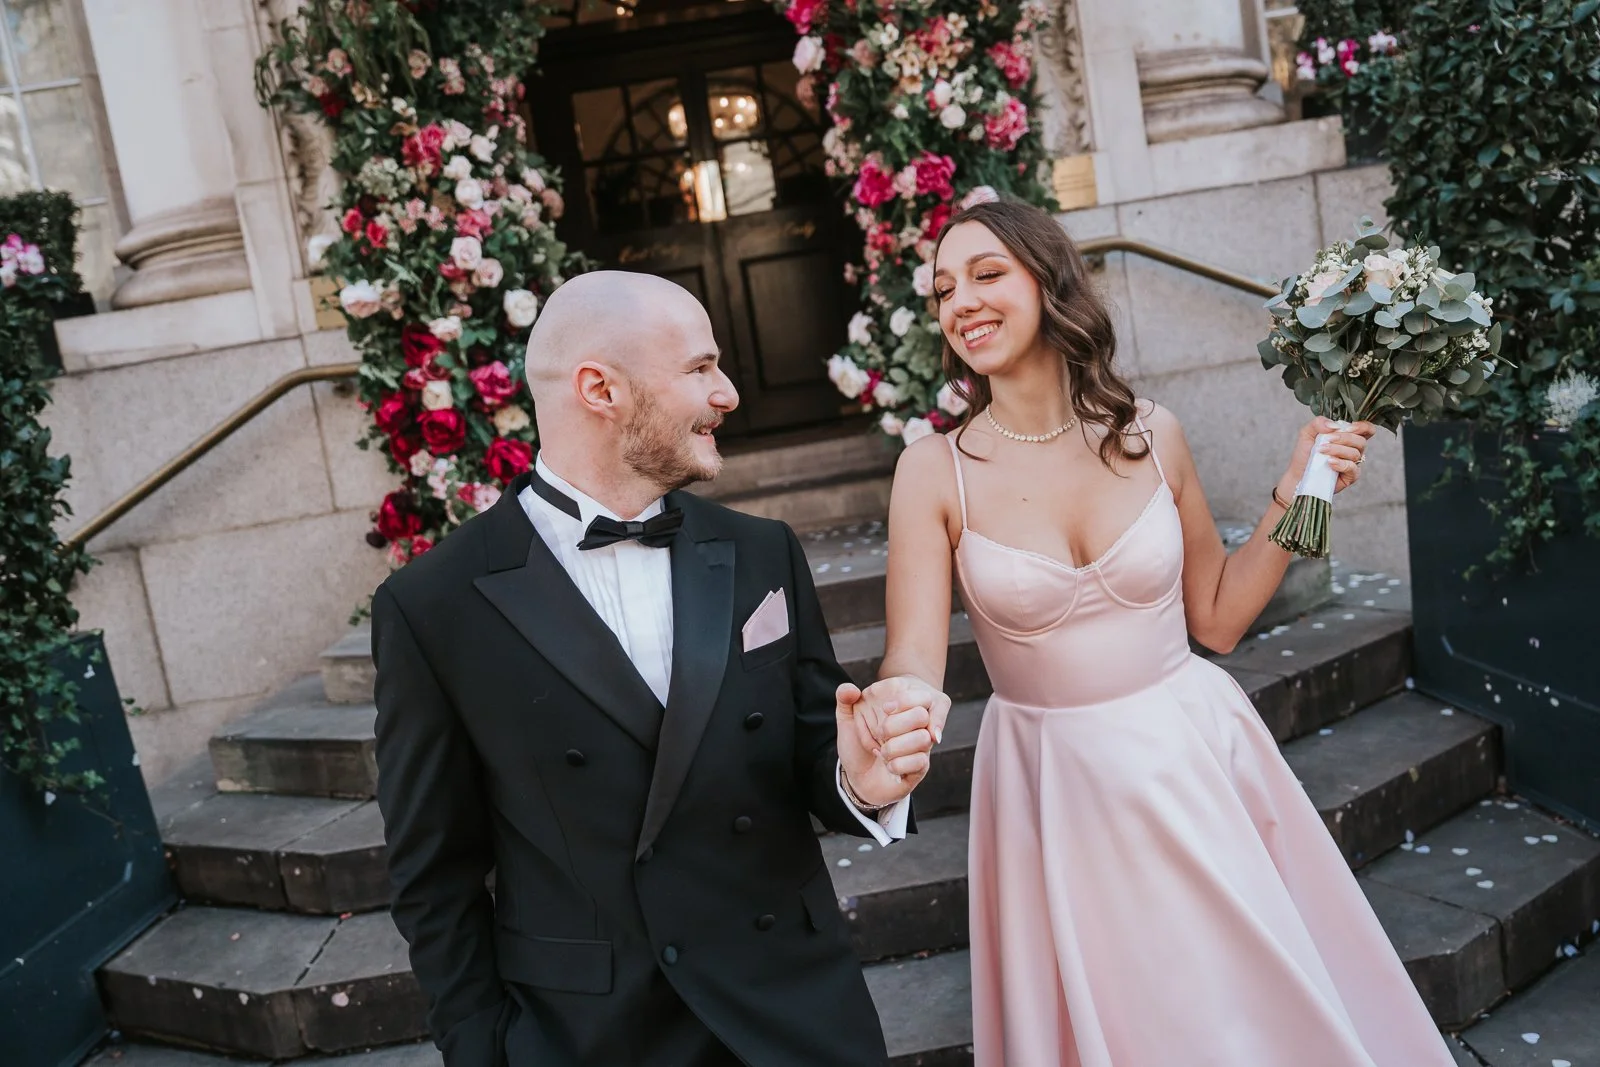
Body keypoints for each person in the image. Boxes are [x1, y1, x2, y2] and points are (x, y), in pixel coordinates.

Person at [879, 199, 1457, 1066]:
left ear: (1050, 281)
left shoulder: (1155, 433)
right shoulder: (933, 471)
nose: (961, 301)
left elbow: (1219, 619)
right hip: (1054, 787)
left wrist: (1302, 489)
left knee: (1250, 1012)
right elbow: (913, 657)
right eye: (943, 288)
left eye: (987, 274)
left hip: (1194, 757)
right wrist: (892, 716)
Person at [371, 270, 950, 1067]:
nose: (730, 393)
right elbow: (434, 880)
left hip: (795, 1010)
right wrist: (485, 1053)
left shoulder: (761, 550)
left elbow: (818, 746)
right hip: (593, 1037)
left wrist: (862, 778)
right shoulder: (433, 604)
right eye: (700, 368)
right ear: (600, 388)